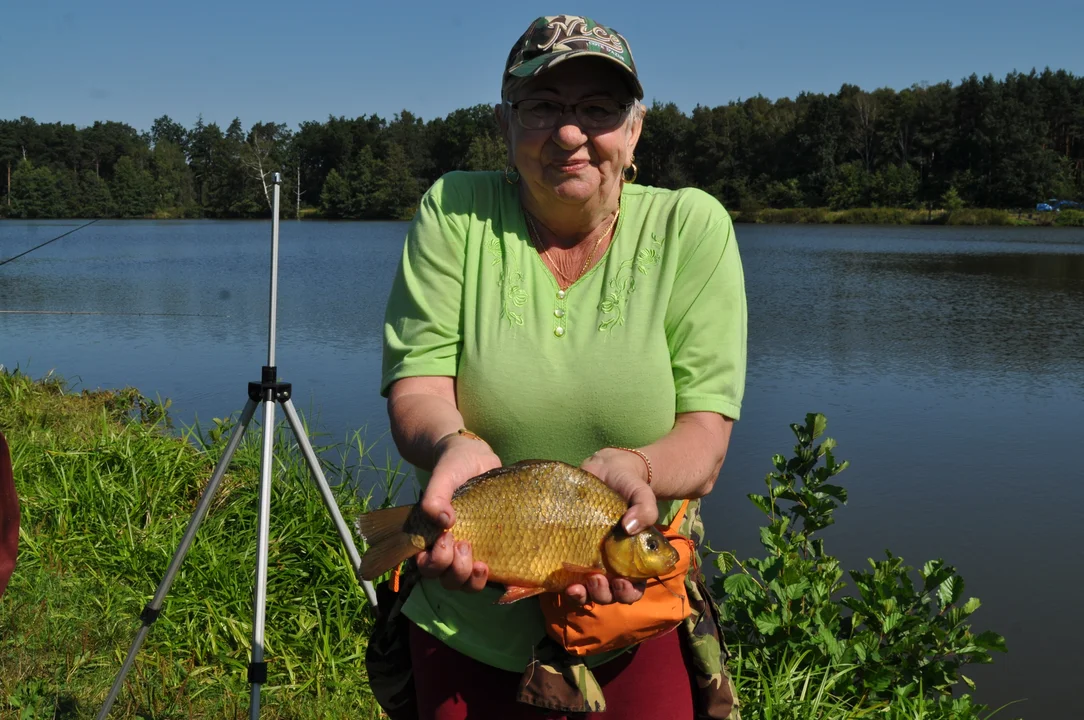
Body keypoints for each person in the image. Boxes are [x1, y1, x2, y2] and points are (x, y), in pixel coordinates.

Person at [374, 14, 746, 720]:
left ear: (633, 130)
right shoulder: (455, 211)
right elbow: (418, 386)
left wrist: (639, 468)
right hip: (464, 614)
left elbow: (706, 438)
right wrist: (454, 446)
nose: (569, 133)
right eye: (542, 107)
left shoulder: (691, 227)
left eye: (597, 109)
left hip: (633, 625)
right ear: (506, 124)